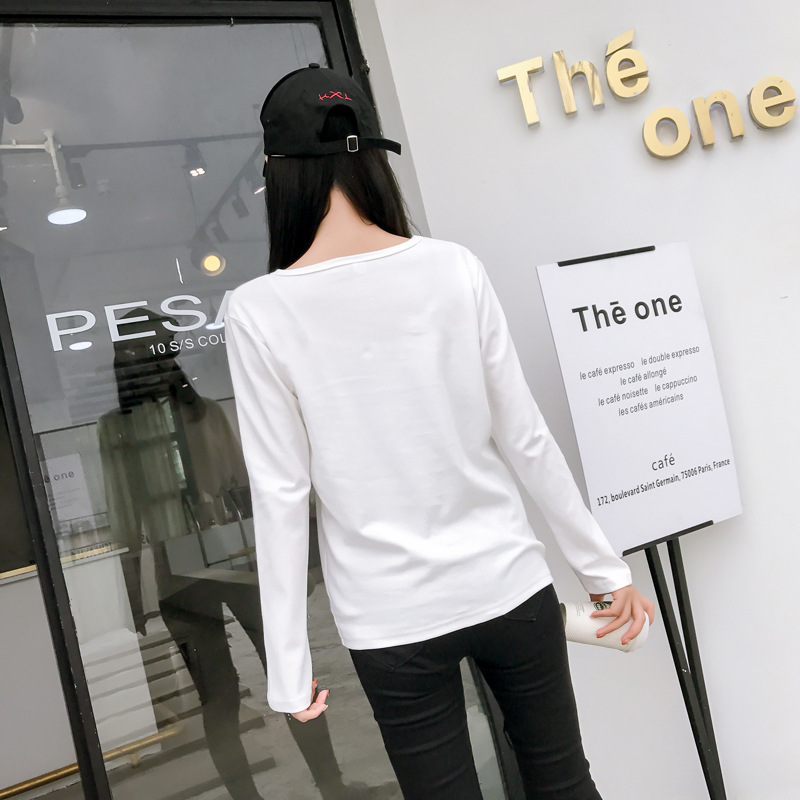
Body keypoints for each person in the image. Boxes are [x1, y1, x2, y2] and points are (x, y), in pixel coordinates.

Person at [225, 64, 655, 799]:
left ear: (278, 172)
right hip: (508, 582)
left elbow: (281, 494)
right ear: (374, 158)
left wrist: (290, 667)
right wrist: (602, 570)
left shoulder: (258, 311)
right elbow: (524, 435)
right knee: (563, 780)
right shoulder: (453, 268)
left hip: (390, 619)